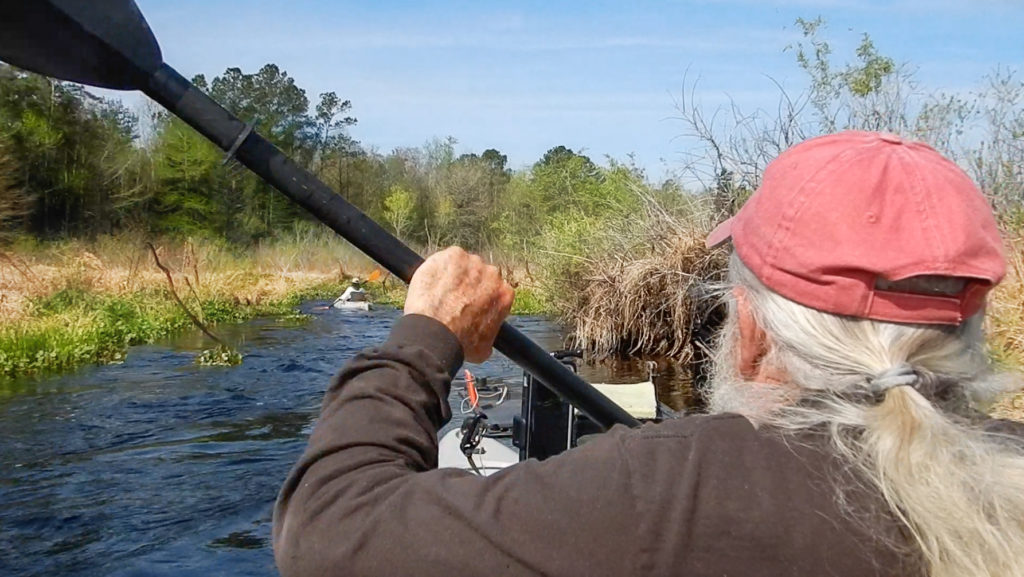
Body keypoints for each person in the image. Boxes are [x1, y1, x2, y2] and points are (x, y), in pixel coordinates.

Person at [272, 131, 1024, 577]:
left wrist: (424, 334)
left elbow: (328, 529)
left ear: (754, 326)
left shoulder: (675, 484)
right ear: (969, 323)